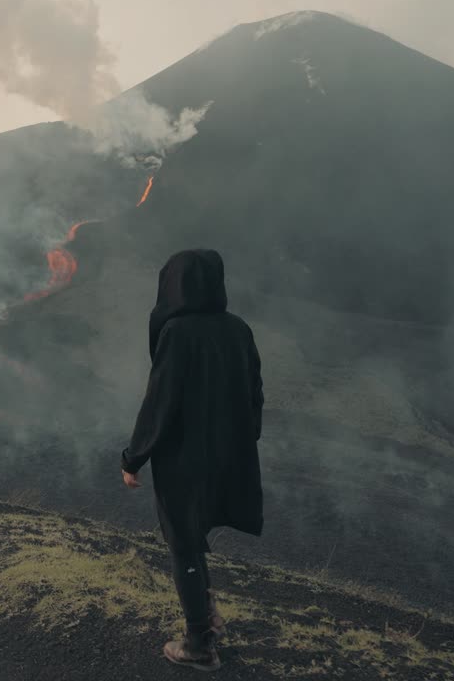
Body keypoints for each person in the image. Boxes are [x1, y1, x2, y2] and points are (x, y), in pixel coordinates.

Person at [121, 248, 264, 672]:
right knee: (193, 534)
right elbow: (255, 391)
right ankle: (209, 618)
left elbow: (160, 403)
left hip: (184, 458)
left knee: (182, 542)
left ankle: (198, 643)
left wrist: (133, 458)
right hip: (227, 453)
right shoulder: (239, 329)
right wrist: (245, 438)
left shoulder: (177, 333)